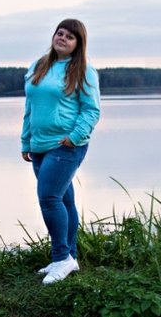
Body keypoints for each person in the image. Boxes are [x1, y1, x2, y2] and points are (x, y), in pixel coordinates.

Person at [20, 19, 101, 284]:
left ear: (78, 44)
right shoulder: (38, 65)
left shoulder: (84, 71)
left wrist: (74, 137)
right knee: (64, 200)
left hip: (66, 146)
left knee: (49, 198)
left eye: (70, 36)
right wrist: (26, 141)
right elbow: (30, 106)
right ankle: (70, 258)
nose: (62, 38)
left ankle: (61, 258)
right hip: (40, 146)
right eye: (60, 33)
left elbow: (91, 110)